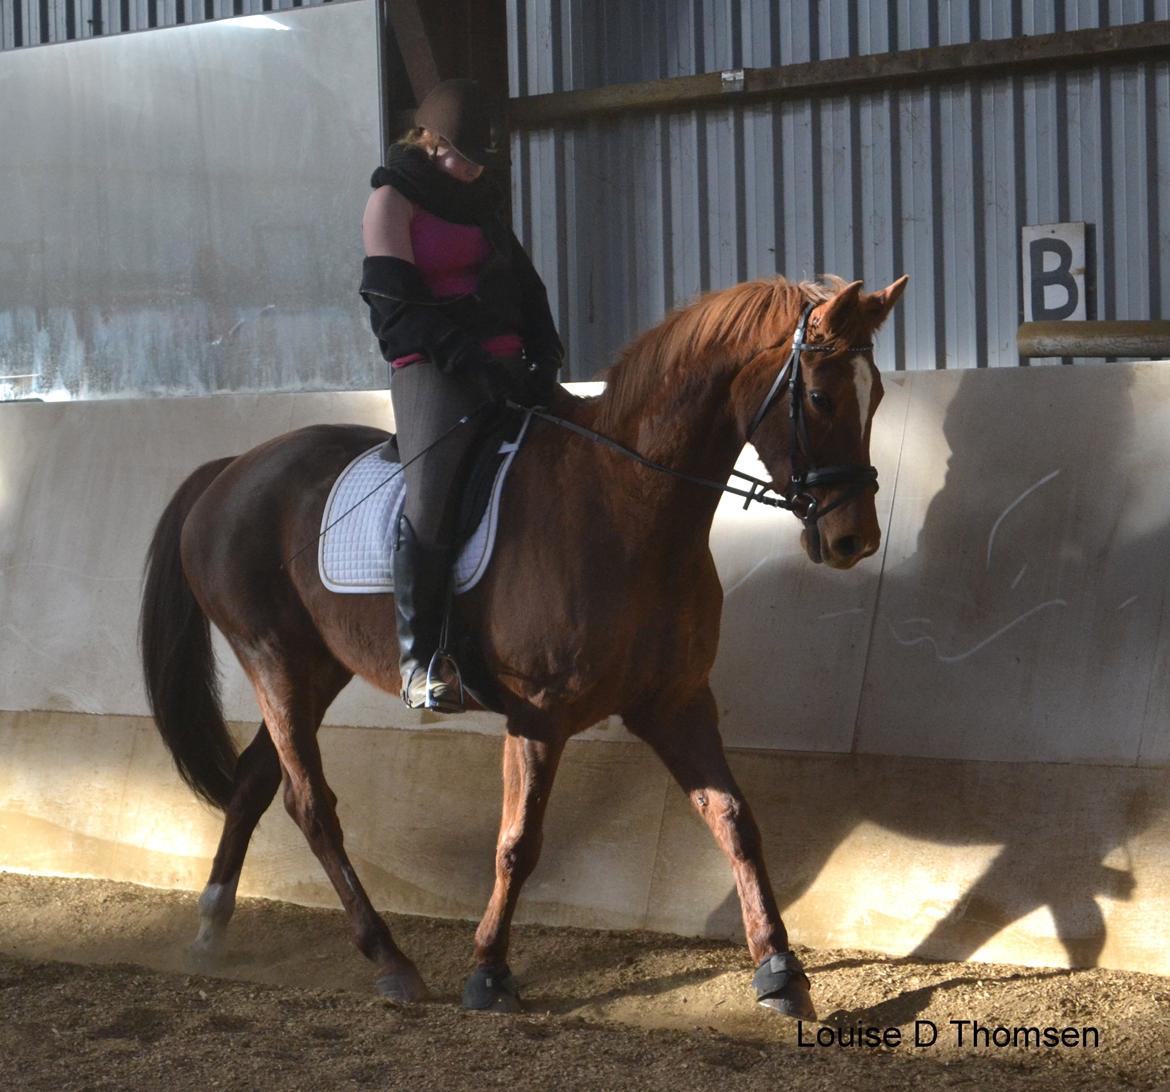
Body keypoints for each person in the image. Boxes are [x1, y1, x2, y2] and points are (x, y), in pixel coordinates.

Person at [359, 78, 564, 714]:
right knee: (433, 496)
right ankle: (421, 661)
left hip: (505, 367)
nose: (473, 168)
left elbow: (525, 286)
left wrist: (545, 351)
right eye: (463, 156)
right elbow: (394, 309)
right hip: (434, 367)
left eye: (482, 160)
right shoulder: (392, 200)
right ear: (432, 139)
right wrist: (469, 360)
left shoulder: (481, 200)